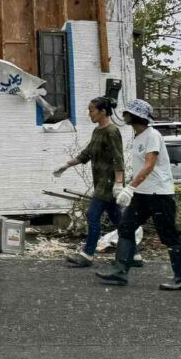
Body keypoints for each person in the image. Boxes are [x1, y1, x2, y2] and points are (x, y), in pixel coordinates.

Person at [96, 98, 181, 290]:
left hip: (159, 193)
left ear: (135, 116)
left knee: (169, 235)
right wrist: (134, 188)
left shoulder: (152, 135)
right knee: (126, 228)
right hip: (143, 193)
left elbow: (149, 165)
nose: (123, 115)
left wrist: (129, 187)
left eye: (127, 113)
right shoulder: (138, 136)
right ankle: (120, 272)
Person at [55, 96, 134, 267]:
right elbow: (87, 153)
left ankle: (88, 255)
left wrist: (119, 184)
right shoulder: (98, 131)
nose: (89, 113)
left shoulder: (112, 131)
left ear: (103, 111)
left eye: (92, 110)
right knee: (119, 220)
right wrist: (66, 165)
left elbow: (118, 158)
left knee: (92, 215)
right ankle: (134, 255)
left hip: (109, 184)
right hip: (101, 182)